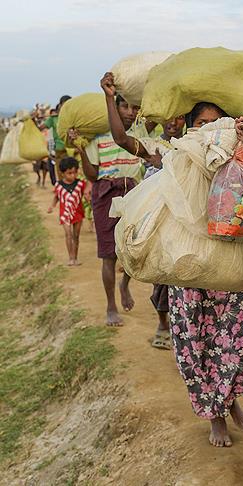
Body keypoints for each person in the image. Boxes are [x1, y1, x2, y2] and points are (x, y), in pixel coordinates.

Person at [167, 101, 243, 448]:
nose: (209, 130)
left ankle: (230, 400)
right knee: (196, 343)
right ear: (189, 128)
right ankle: (216, 417)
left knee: (233, 342)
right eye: (201, 124)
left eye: (216, 123)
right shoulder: (180, 158)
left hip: (228, 265)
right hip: (191, 269)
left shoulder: (239, 161)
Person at [99, 71, 184, 349]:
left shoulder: (190, 148)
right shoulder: (154, 148)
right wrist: (110, 99)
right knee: (159, 276)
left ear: (188, 121)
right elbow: (122, 139)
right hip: (155, 221)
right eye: (169, 118)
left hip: (184, 223)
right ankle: (162, 324)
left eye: (180, 117)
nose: (173, 122)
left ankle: (182, 332)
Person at [67, 86, 142, 326]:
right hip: (105, 195)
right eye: (124, 106)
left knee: (134, 250)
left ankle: (125, 285)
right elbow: (91, 175)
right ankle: (111, 306)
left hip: (134, 193)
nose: (130, 112)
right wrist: (81, 152)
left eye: (134, 107)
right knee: (108, 255)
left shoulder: (141, 132)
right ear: (115, 108)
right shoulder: (99, 136)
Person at [47, 157, 87, 266]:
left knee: (76, 235)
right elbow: (57, 197)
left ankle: (76, 257)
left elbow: (86, 195)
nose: (72, 176)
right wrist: (52, 206)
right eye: (69, 173)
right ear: (62, 173)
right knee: (68, 234)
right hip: (64, 214)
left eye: (74, 173)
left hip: (78, 213)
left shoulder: (80, 184)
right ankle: (71, 258)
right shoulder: (59, 185)